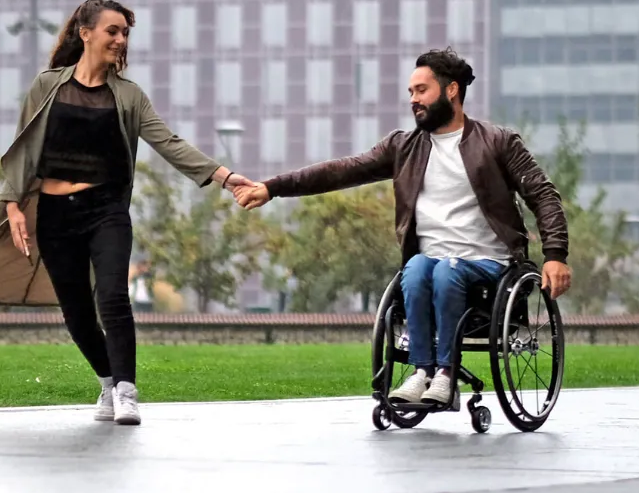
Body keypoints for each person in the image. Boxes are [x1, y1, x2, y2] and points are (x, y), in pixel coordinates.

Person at [0, 0, 254, 425]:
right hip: (55, 214)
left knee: (113, 296)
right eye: (113, 30)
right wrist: (12, 204)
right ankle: (108, 382)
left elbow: (168, 142)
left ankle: (127, 391)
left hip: (105, 208)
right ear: (85, 32)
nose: (120, 39)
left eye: (125, 33)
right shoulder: (47, 86)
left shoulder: (128, 96)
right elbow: (23, 147)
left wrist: (225, 176)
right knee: (75, 310)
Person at [235, 48, 571, 409]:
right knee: (415, 268)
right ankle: (422, 371)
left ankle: (446, 374)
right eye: (411, 92)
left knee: (446, 270)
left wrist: (555, 255)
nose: (413, 99)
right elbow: (341, 170)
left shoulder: (498, 142)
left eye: (421, 90)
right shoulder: (404, 147)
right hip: (432, 264)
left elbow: (543, 195)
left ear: (452, 90)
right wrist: (273, 187)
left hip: (490, 265)